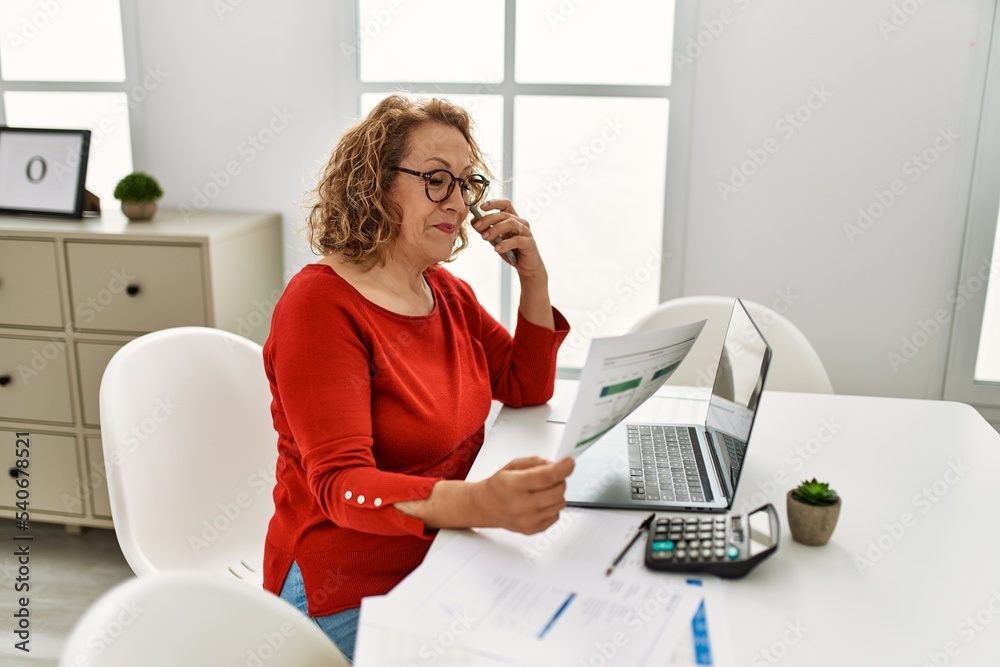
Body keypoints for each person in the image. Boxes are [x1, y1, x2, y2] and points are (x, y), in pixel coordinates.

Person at [261, 94, 574, 662]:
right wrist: (481, 504)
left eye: (465, 183)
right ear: (374, 185)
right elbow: (340, 486)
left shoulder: (444, 291)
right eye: (436, 180)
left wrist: (535, 281)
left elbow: (524, 385)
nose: (456, 202)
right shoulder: (319, 306)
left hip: (447, 552)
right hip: (349, 585)